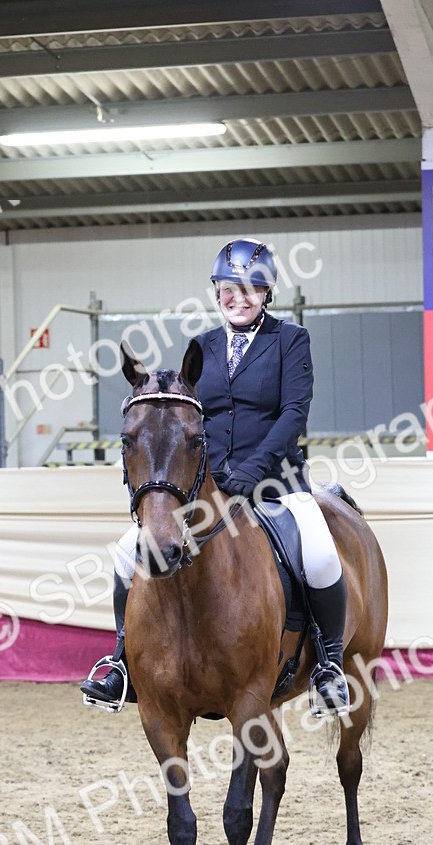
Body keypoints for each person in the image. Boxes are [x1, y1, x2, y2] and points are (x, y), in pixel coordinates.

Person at [80, 237, 350, 714]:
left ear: (267, 293)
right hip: (208, 488)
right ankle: (122, 661)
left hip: (275, 483)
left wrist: (252, 470)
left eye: (250, 288)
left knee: (321, 552)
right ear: (217, 292)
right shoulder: (201, 348)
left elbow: (293, 414)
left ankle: (329, 665)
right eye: (229, 289)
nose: (238, 298)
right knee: (127, 553)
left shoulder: (290, 341)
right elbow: (183, 418)